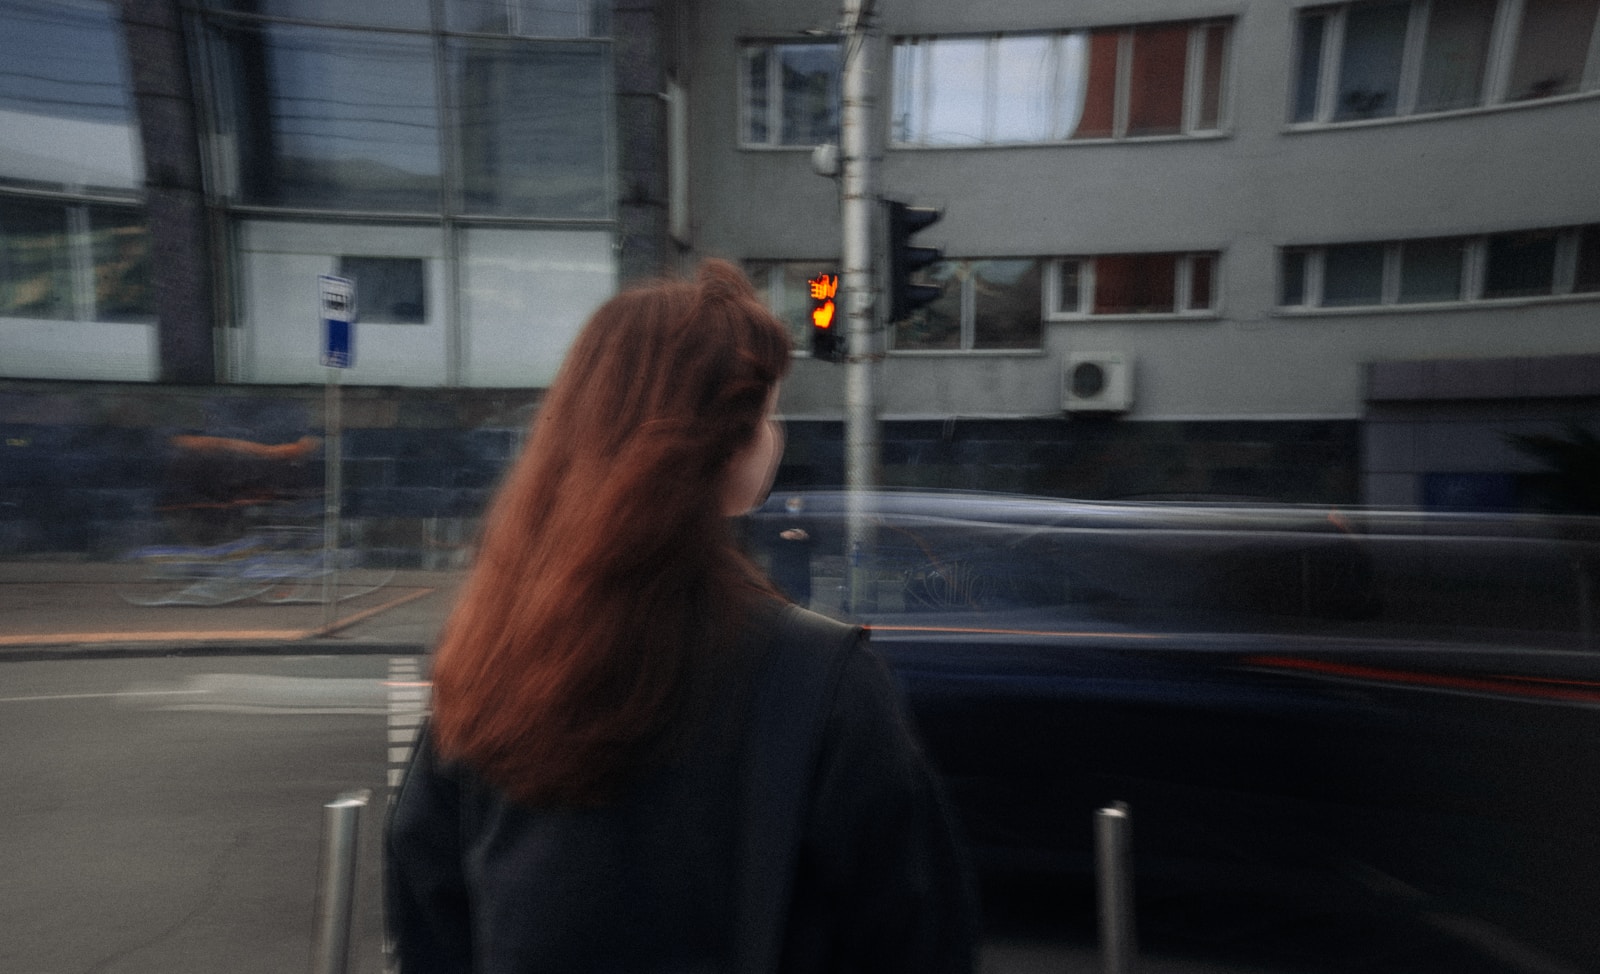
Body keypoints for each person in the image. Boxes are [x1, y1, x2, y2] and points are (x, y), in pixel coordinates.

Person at [385, 260, 977, 974]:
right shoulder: (823, 682)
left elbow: (430, 914)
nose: (776, 435)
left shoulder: (491, 652)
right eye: (768, 413)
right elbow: (917, 938)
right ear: (724, 446)